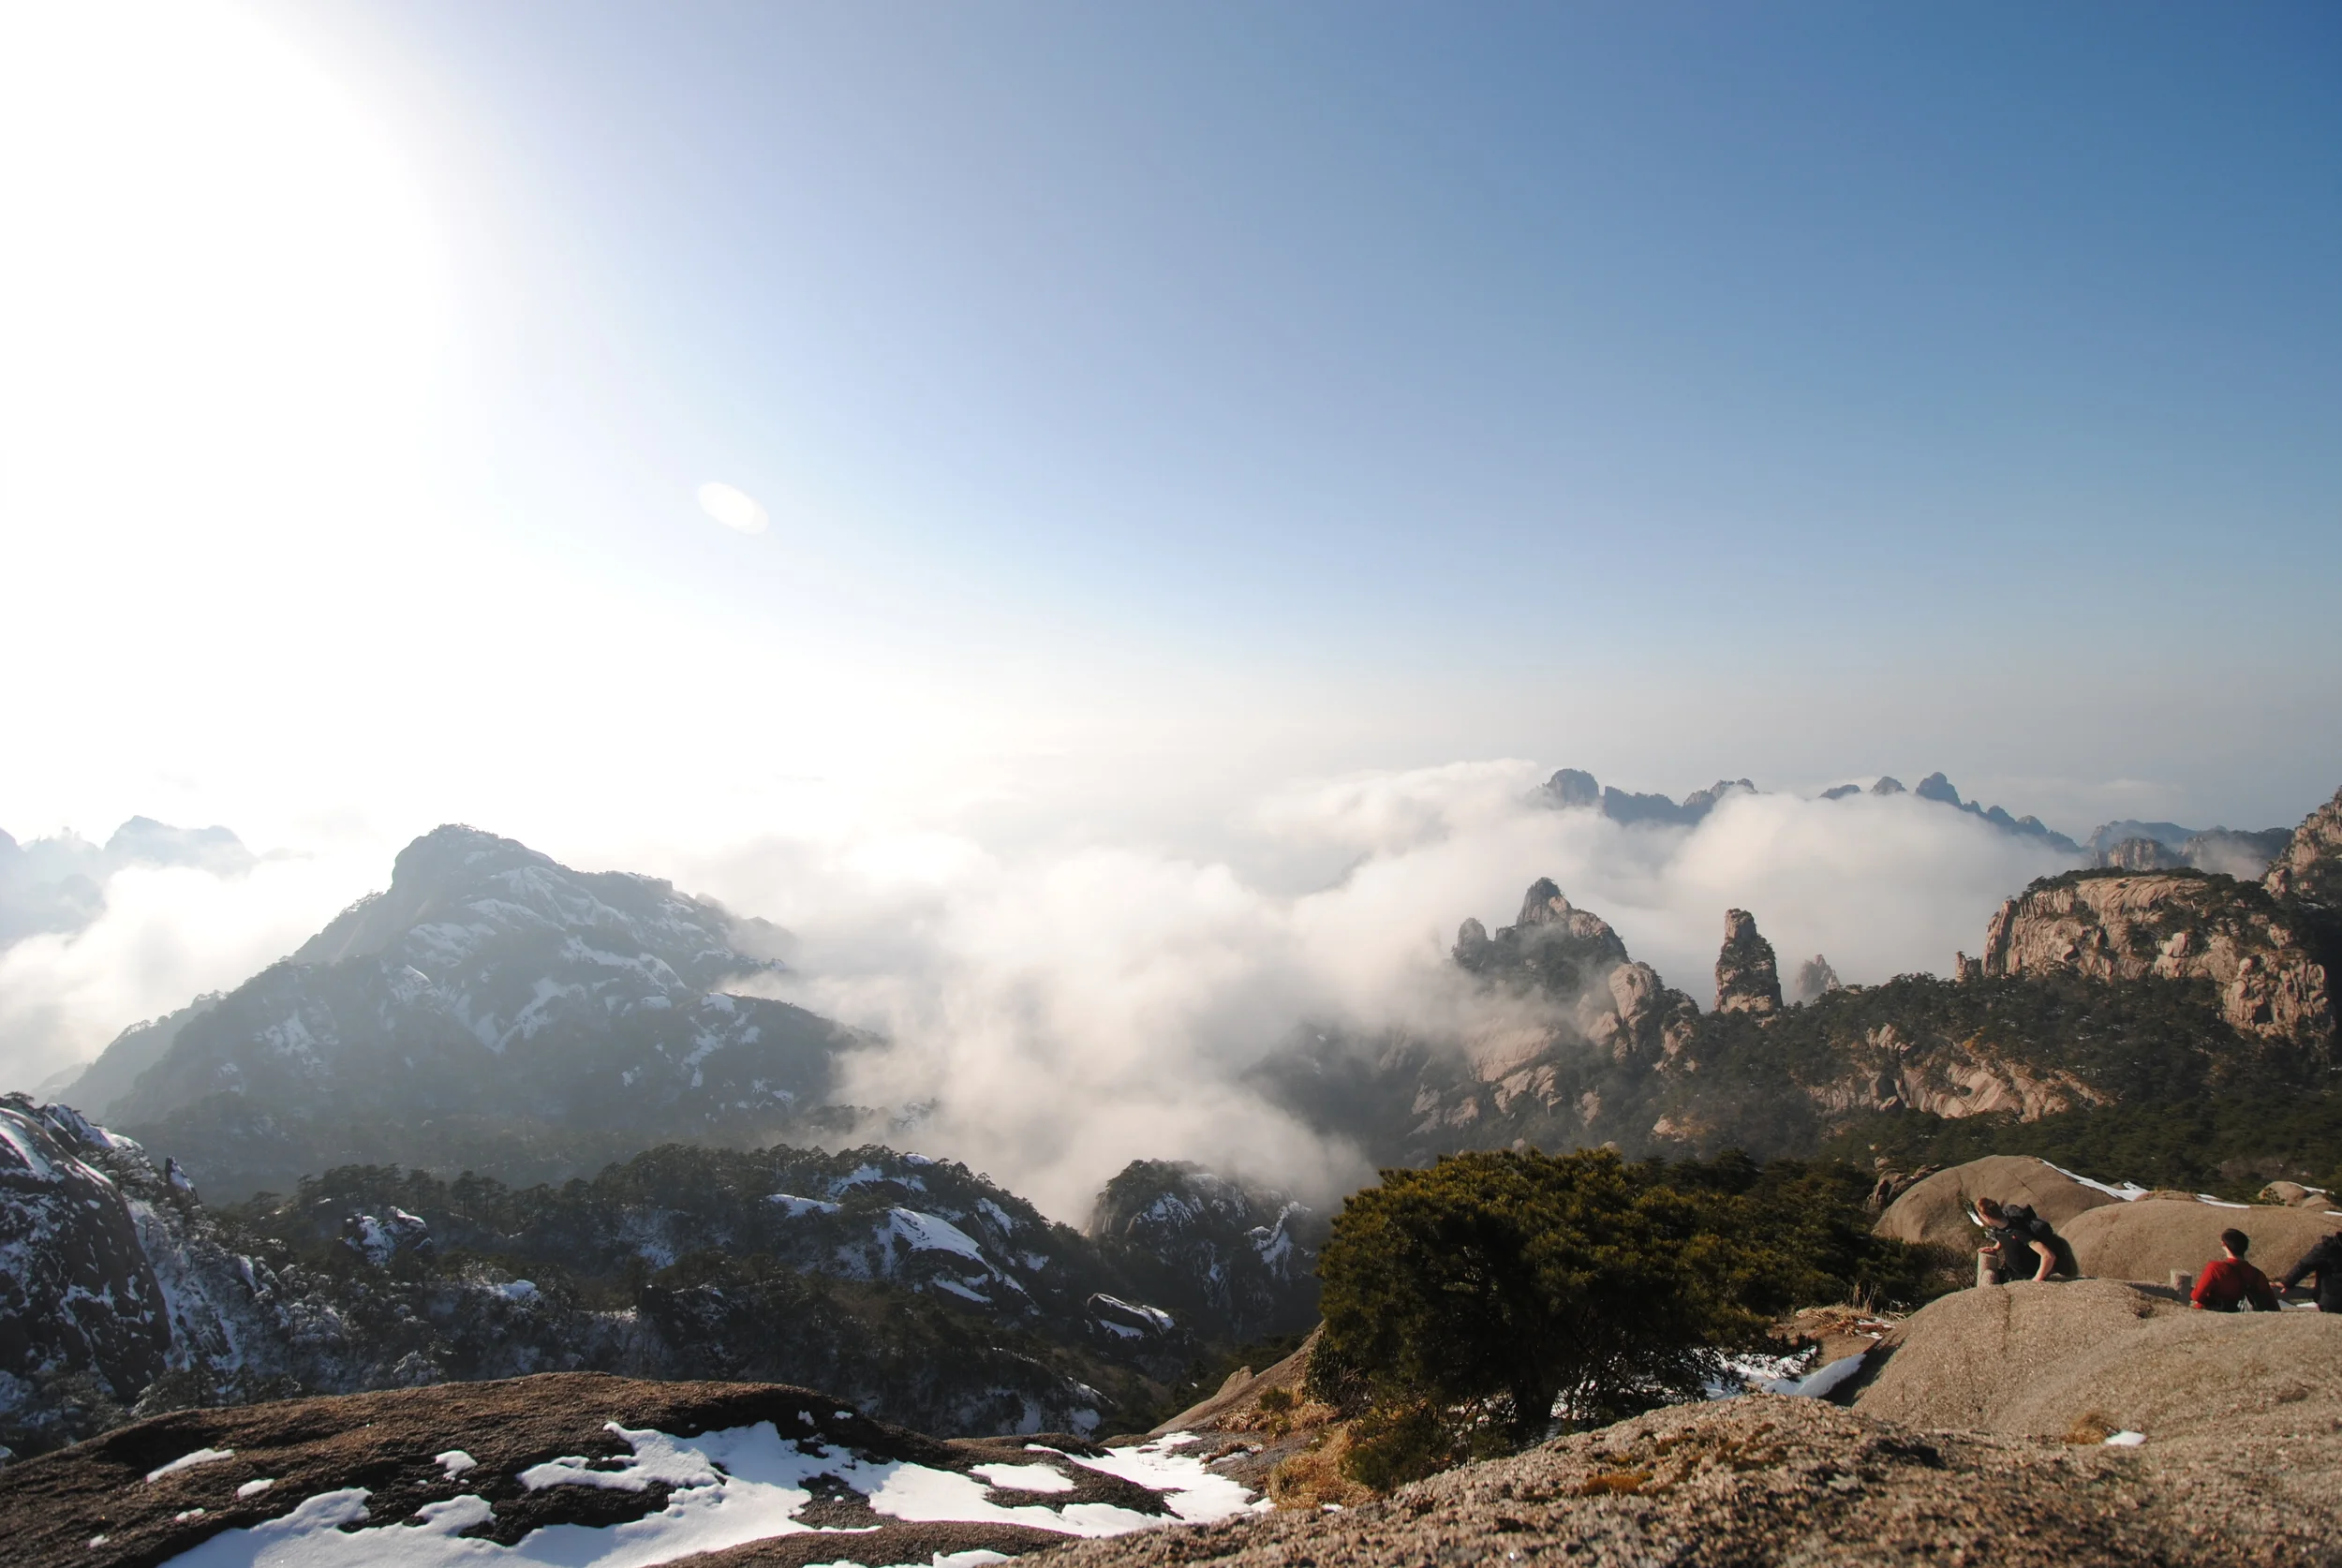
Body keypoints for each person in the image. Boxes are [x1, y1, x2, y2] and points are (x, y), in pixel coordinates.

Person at [1974, 1196, 2073, 1285]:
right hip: (2010, 1272)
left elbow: (2048, 1256)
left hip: (2025, 1276)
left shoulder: (2018, 1232)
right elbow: (2004, 1235)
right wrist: (1995, 1248)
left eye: (1980, 1215)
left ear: (1986, 1217)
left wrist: (2037, 1280)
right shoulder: (1999, 1227)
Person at [2190, 1228, 2279, 1312]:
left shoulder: (2215, 1268)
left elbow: (2196, 1296)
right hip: (2235, 1311)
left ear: (2223, 1245)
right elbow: (2271, 1303)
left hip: (2210, 1311)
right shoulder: (2257, 1274)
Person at [2277, 1230, 2342, 1312]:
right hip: (2332, 1302)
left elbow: (2304, 1265)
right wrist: (2287, 1282)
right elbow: (2305, 1266)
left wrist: (2287, 1282)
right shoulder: (2328, 1248)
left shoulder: (2327, 1247)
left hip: (2331, 1302)